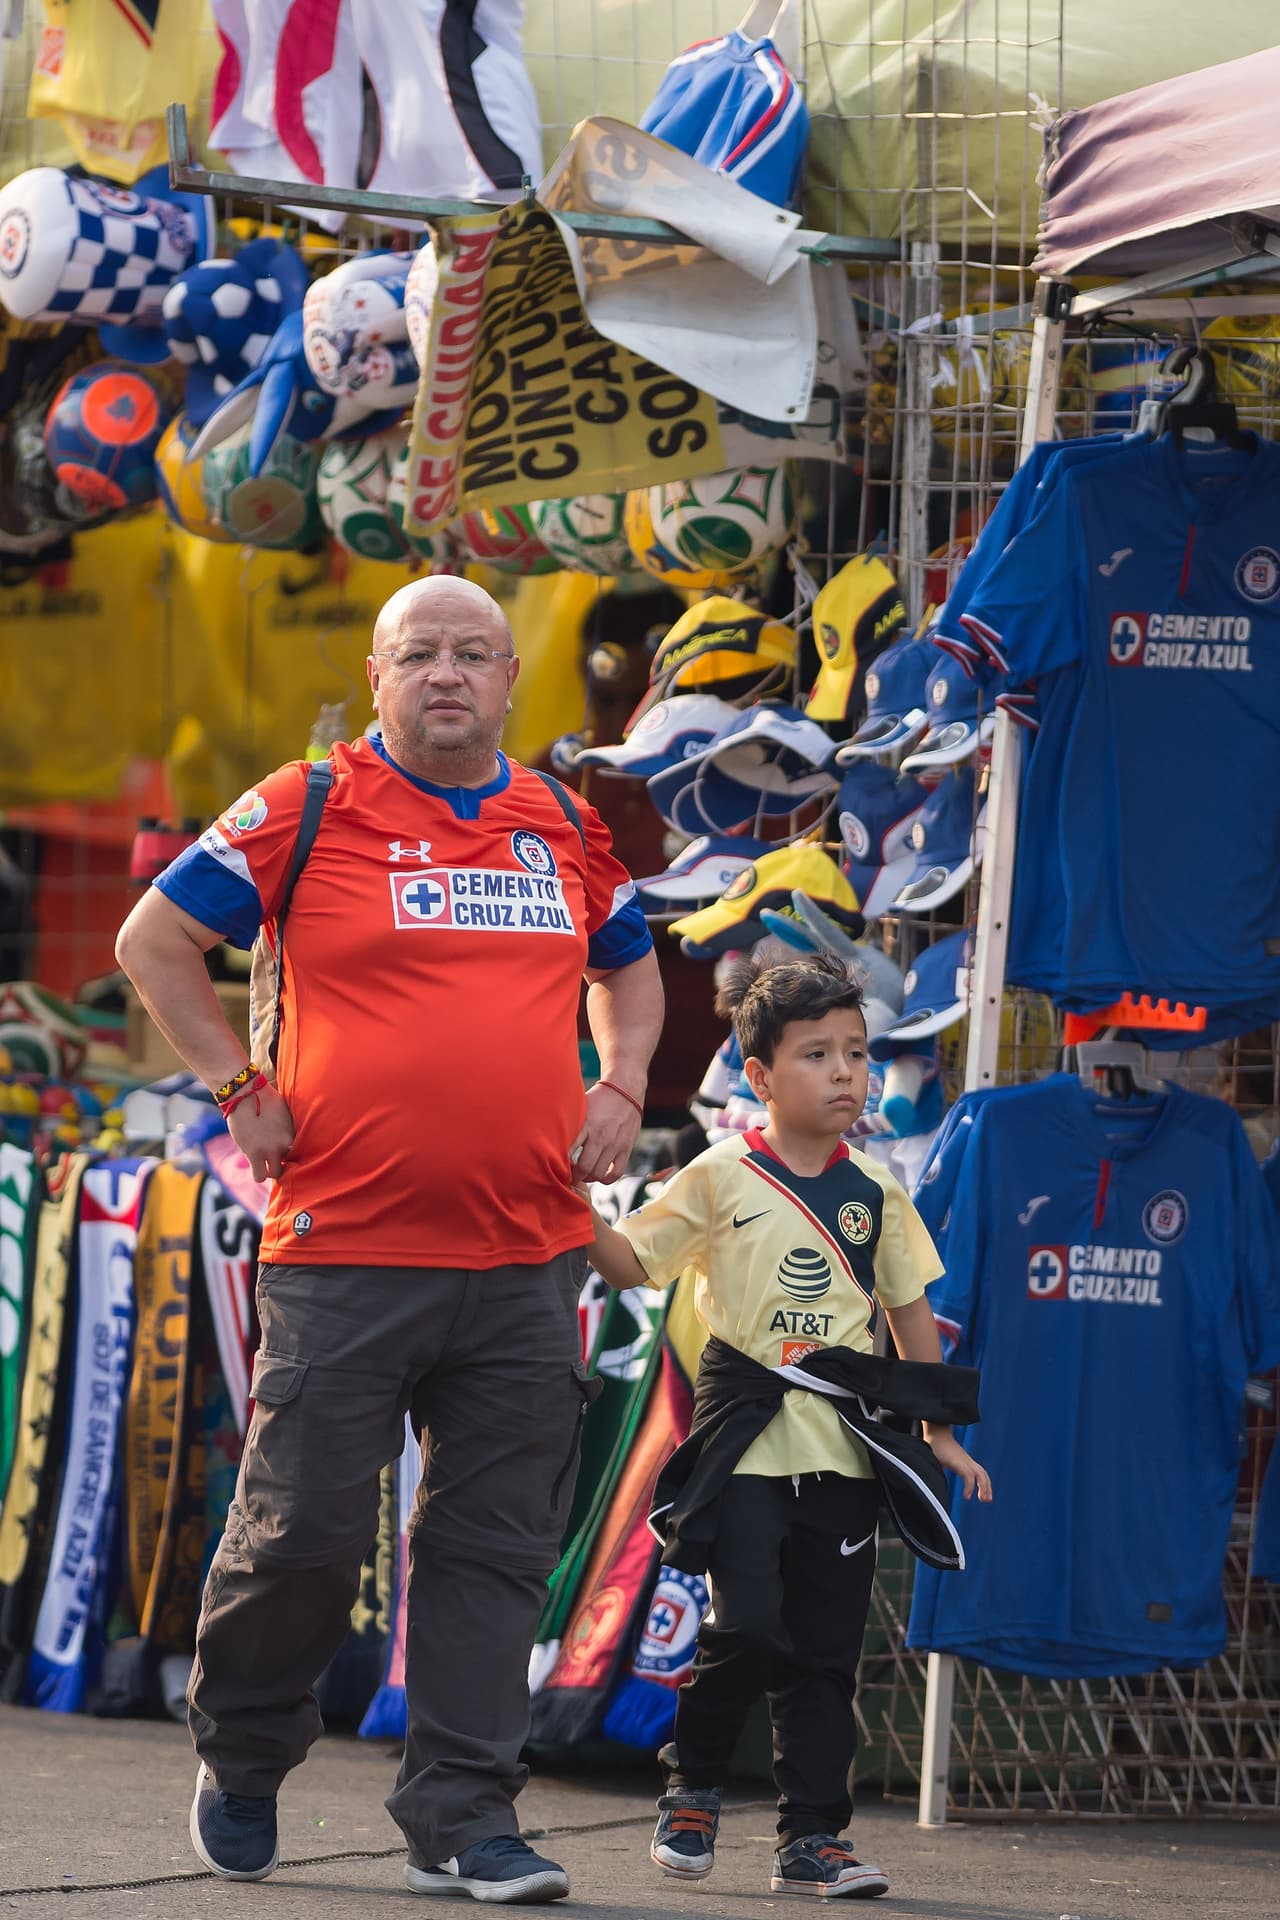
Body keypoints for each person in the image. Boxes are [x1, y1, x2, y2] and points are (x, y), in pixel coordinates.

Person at [115, 575, 664, 1906]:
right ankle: (244, 1758)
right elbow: (155, 940)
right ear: (378, 677)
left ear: (508, 681)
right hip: (346, 1247)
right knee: (302, 1530)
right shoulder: (307, 806)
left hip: (528, 1255)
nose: (449, 674)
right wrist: (242, 1092)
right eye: (420, 653)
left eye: (475, 652)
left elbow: (630, 970)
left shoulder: (560, 820)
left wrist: (623, 1085)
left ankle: (466, 1818)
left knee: (491, 1549)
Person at [584, 951, 990, 1902]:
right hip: (745, 1443)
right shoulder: (718, 1175)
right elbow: (629, 1266)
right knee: (752, 1626)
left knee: (824, 1654)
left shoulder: (878, 1191)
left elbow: (910, 1313)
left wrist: (937, 1434)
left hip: (845, 1452)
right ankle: (693, 1785)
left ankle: (814, 1837)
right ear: (759, 1077)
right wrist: (566, 1202)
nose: (847, 1072)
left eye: (857, 1051)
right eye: (818, 1054)